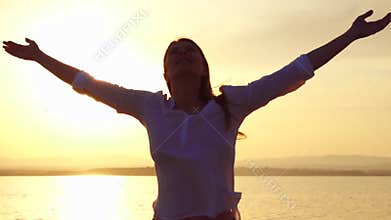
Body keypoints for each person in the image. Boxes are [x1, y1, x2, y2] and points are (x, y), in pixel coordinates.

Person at [3, 9, 390, 220]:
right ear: (166, 73)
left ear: (204, 67)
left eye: (192, 51)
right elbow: (87, 83)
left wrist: (350, 36)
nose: (183, 54)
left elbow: (296, 69)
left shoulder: (231, 105)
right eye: (175, 53)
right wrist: (39, 57)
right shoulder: (149, 106)